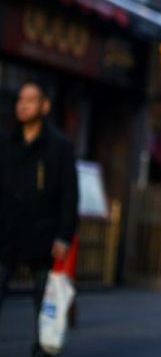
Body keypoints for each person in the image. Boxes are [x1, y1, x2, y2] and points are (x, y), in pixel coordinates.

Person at [0, 80, 78, 356]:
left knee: (44, 301)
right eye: (20, 99)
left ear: (45, 106)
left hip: (44, 235)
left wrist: (64, 236)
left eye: (31, 100)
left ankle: (43, 349)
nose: (23, 105)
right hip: (6, 231)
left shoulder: (59, 146)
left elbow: (70, 195)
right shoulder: (7, 142)